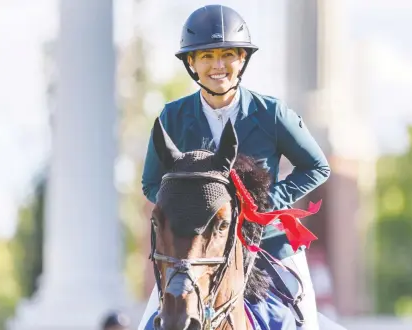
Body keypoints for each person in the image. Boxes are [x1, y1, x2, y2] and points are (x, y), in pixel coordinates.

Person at [139, 4, 331, 330]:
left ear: (242, 60)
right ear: (191, 63)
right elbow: (151, 183)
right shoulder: (172, 117)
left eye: (228, 54)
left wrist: (265, 203)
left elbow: (316, 167)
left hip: (267, 244)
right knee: (149, 324)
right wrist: (188, 210)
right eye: (206, 56)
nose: (218, 65)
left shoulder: (272, 113)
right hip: (196, 255)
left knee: (304, 322)